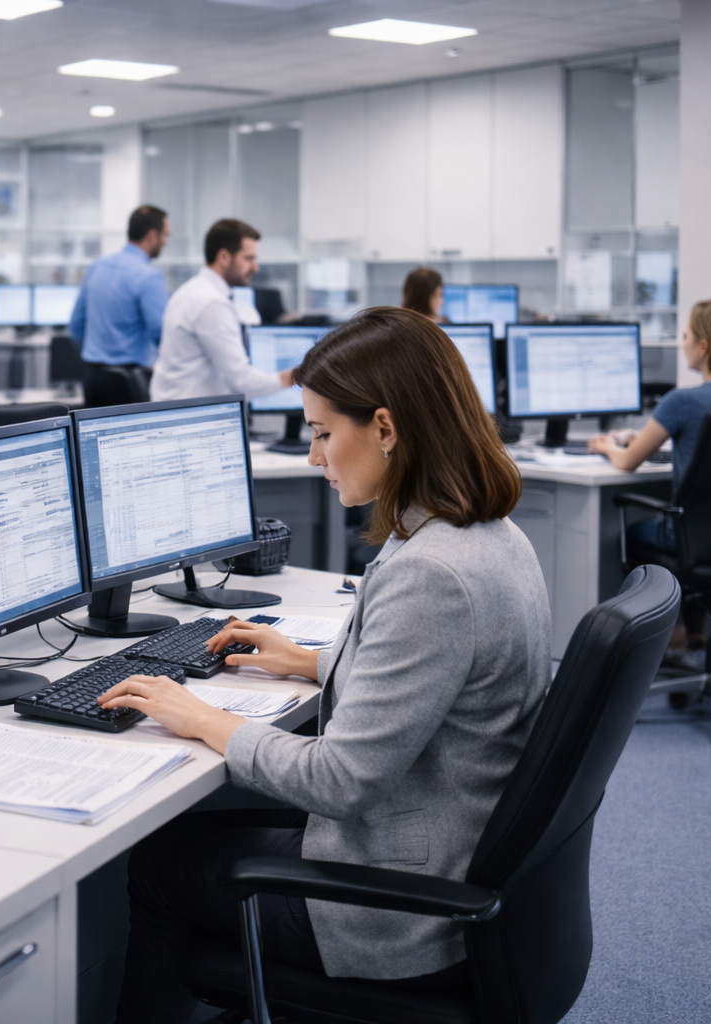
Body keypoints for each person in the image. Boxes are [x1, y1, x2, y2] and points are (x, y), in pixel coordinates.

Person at [100, 306, 550, 1020]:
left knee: (159, 864)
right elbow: (442, 673)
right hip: (456, 847)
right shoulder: (484, 532)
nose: (314, 457)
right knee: (194, 834)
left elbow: (338, 780)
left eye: (321, 432)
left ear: (385, 428)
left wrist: (203, 718)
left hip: (405, 912)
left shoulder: (432, 572)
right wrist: (309, 661)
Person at [588, 298, 711, 552]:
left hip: (694, 543)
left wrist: (605, 446)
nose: (682, 344)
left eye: (686, 337)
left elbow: (627, 461)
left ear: (703, 346)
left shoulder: (682, 401)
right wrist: (641, 438)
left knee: (627, 537)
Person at [150, 218, 293, 402]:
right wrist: (297, 376)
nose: (255, 267)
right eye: (248, 258)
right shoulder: (211, 304)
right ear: (224, 257)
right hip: (193, 413)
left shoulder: (191, 291)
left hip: (177, 406)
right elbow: (243, 381)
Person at [67, 205, 172, 407]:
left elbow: (76, 326)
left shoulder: (97, 266)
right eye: (165, 235)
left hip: (93, 378)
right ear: (152, 236)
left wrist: (96, 357)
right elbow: (162, 334)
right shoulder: (149, 276)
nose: (166, 242)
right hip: (128, 384)